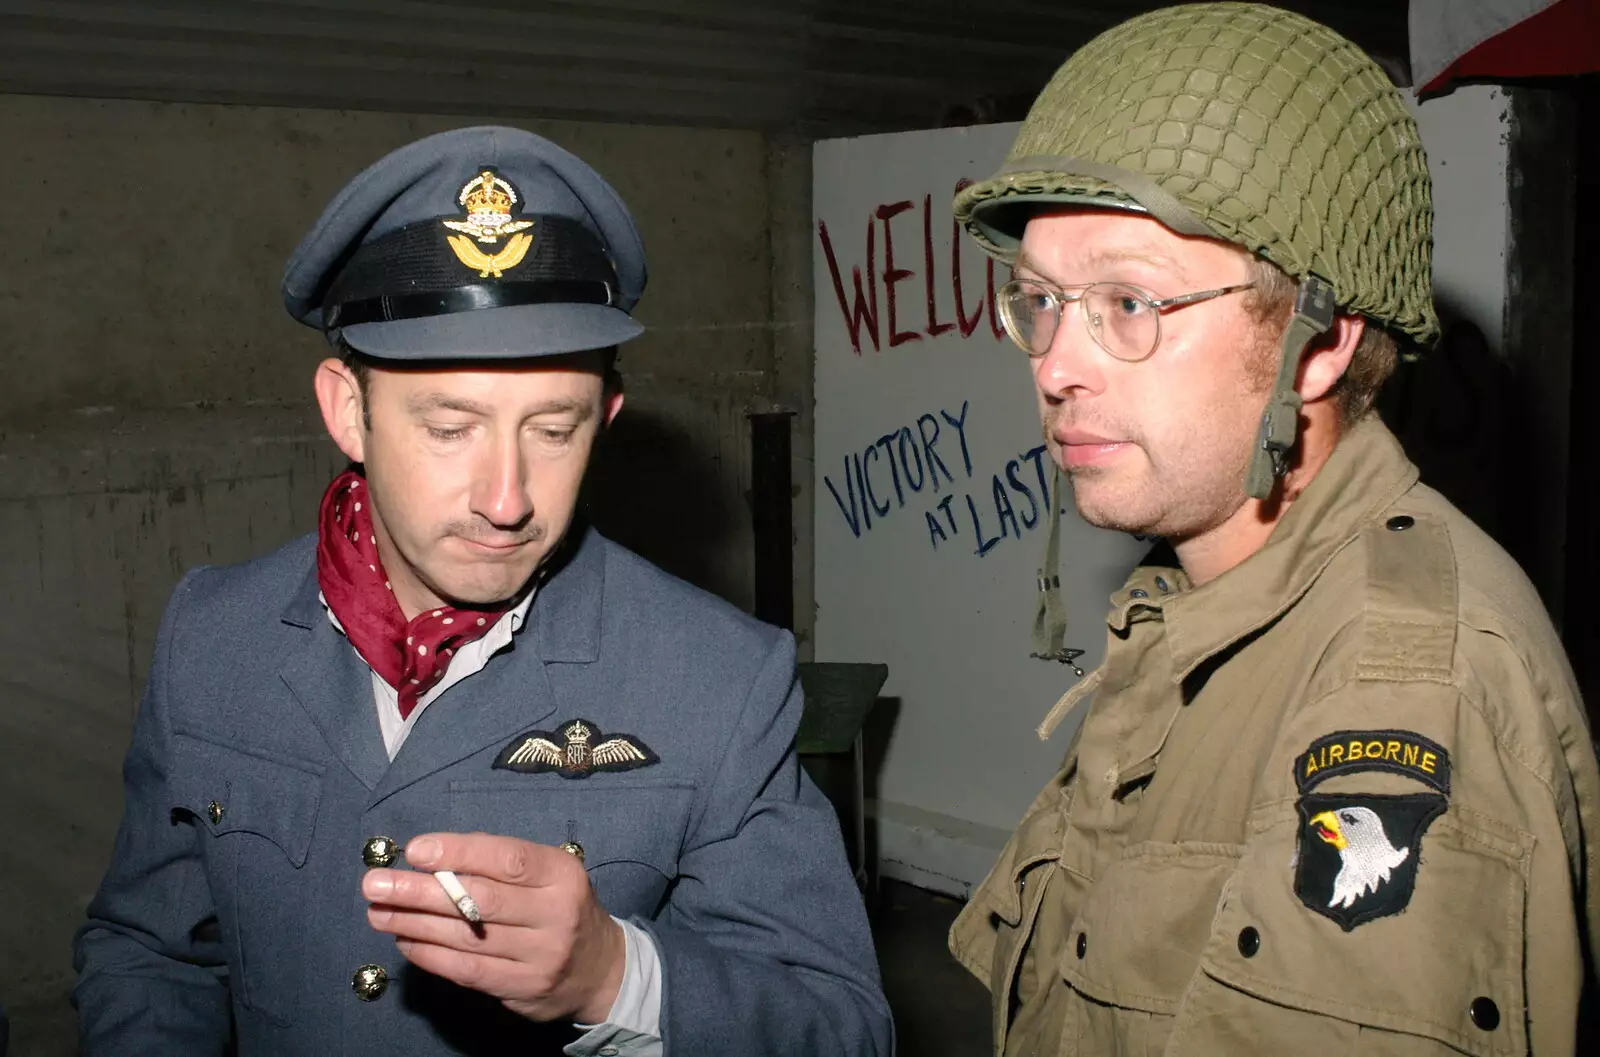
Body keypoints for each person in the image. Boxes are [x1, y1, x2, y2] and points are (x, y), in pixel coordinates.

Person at [72, 125, 892, 1057]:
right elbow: (150, 953)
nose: (507, 501)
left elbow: (844, 1030)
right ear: (349, 409)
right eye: (450, 426)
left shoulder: (720, 679)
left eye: (554, 429)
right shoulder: (212, 639)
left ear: (607, 417)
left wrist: (613, 975)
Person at [946, 3, 1600, 1054]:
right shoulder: (1204, 604)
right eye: (1042, 300)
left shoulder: (1400, 690)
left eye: (1126, 304)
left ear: (1320, 344)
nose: (1056, 365)